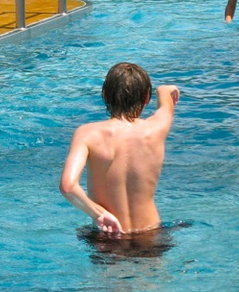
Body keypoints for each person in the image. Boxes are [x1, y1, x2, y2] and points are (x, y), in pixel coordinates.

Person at [60, 63, 180, 236]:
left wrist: (98, 214)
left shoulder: (86, 134)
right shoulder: (157, 128)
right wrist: (165, 89)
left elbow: (68, 186)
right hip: (151, 235)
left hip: (108, 235)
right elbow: (165, 101)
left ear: (105, 95)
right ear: (147, 98)